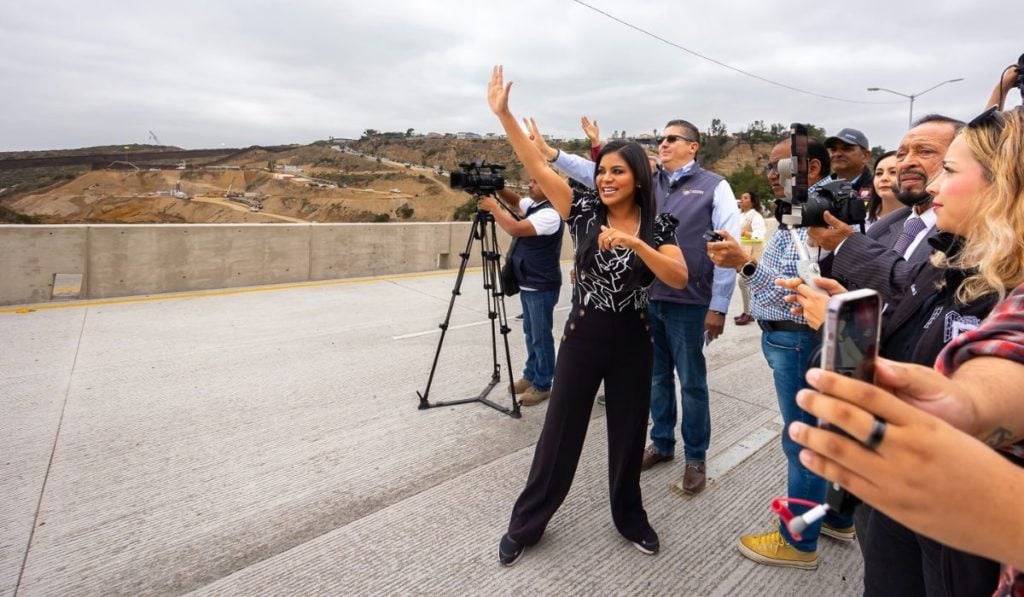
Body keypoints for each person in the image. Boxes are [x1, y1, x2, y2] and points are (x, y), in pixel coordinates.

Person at [783, 105, 1024, 594]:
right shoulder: (953, 255)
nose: (932, 185)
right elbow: (1003, 353)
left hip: (963, 531)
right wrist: (959, 404)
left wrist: (962, 413)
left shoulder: (993, 274)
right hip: (908, 491)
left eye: (947, 169)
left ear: (1003, 183)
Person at [487, 66, 687, 566]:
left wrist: (638, 242)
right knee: (560, 433)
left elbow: (679, 278)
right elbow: (536, 161)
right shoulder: (582, 211)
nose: (606, 179)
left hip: (634, 338)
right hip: (583, 333)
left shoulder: (659, 223)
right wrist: (505, 115)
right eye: (602, 171)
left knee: (627, 432)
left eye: (617, 171)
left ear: (638, 177)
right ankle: (527, 523)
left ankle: (630, 517)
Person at [536, 118, 741, 495]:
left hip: (687, 300)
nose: (662, 144)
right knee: (656, 379)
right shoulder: (649, 181)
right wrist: (552, 154)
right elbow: (594, 173)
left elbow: (728, 245)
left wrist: (720, 305)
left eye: (671, 138)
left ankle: (695, 456)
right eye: (660, 139)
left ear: (693, 146)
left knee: (692, 381)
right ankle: (662, 442)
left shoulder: (715, 187)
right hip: (645, 302)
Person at [706, 135, 854, 569]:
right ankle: (837, 516)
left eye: (781, 166)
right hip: (793, 336)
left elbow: (801, 288)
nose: (772, 174)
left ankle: (798, 540)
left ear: (809, 169)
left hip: (797, 337)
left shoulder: (821, 208)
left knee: (802, 439)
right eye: (769, 167)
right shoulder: (805, 206)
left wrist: (742, 262)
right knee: (824, 432)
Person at [809, 115, 964, 302]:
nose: (907, 162)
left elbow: (920, 292)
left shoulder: (964, 231)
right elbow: (857, 283)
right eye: (901, 155)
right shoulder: (886, 226)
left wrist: (845, 243)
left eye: (925, 151)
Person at [477, 180, 564, 407]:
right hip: (529, 283)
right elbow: (515, 201)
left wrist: (493, 207)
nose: (530, 184)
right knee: (530, 333)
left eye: (536, 181)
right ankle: (531, 374)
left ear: (550, 187)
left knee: (541, 336)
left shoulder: (550, 214)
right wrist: (496, 187)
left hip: (541, 285)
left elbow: (515, 228)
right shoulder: (536, 205)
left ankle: (543, 384)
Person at [734, 191, 766, 326]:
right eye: (741, 197)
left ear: (752, 201)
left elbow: (760, 236)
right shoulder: (740, 215)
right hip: (743, 255)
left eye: (746, 198)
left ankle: (749, 313)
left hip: (752, 255)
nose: (742, 200)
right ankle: (748, 311)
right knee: (746, 284)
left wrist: (745, 233)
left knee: (743, 282)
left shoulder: (756, 216)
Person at [824, 128, 873, 202]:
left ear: (865, 156)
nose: (837, 154)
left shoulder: (879, 190)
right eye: (833, 150)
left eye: (846, 149)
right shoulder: (822, 188)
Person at [865, 150, 900, 228]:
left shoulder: (921, 223)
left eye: (893, 172)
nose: (883, 178)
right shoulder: (860, 223)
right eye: (879, 173)